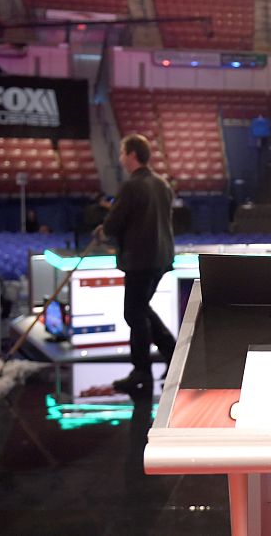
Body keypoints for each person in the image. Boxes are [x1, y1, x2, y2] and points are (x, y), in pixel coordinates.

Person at [96, 134, 176, 392]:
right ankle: (173, 355)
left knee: (134, 313)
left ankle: (141, 371)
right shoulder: (162, 183)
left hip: (141, 259)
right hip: (161, 257)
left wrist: (103, 231)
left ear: (131, 155)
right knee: (141, 309)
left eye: (122, 153)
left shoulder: (131, 186)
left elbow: (114, 223)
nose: (120, 159)